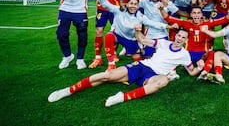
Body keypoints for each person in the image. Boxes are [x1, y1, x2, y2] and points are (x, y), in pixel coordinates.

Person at [48, 28, 204, 107]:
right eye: (178, 36)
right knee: (107, 76)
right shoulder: (163, 43)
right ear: (174, 36)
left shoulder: (185, 55)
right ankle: (68, 90)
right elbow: (142, 39)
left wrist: (200, 68)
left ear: (186, 41)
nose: (179, 39)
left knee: (163, 82)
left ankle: (122, 97)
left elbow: (191, 72)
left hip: (154, 75)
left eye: (183, 38)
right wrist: (137, 31)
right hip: (142, 66)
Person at [94, 0, 174, 71]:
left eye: (135, 4)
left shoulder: (139, 16)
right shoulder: (118, 10)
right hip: (117, 35)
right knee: (108, 36)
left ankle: (141, 69)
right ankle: (111, 65)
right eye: (131, 3)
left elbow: (151, 23)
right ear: (127, 4)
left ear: (138, 6)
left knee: (139, 59)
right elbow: (106, 4)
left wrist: (167, 26)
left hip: (130, 39)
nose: (133, 6)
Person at [158, 4, 229, 81]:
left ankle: (204, 72)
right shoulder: (186, 23)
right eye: (194, 13)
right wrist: (161, 9)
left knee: (212, 53)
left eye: (198, 13)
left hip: (203, 53)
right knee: (174, 53)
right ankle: (172, 72)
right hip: (189, 53)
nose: (196, 15)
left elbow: (224, 20)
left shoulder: (207, 23)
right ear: (191, 14)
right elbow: (168, 18)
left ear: (201, 14)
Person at [54, 0, 95, 70]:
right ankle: (67, 56)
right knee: (61, 34)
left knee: (82, 35)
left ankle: (80, 59)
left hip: (80, 11)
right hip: (65, 9)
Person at [88, 0, 126, 69]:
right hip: (101, 9)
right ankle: (98, 58)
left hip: (114, 10)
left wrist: (124, 3)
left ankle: (113, 53)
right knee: (99, 31)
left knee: (115, 33)